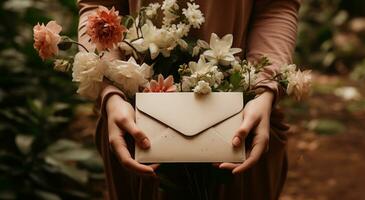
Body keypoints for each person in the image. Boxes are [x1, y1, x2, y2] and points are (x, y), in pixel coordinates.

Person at [77, 0, 300, 199]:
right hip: (134, 121)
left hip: (242, 121)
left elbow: (275, 7)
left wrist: (263, 89)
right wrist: (112, 93)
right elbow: (98, 7)